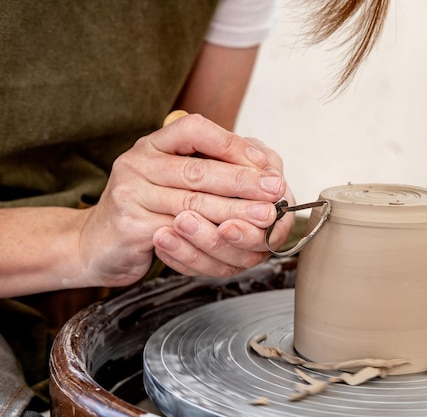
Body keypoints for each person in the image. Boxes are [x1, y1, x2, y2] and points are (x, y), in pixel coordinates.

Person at [0, 0, 390, 415]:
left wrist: (230, 201)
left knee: (381, 258)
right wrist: (80, 241)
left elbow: (194, 139)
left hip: (132, 232)